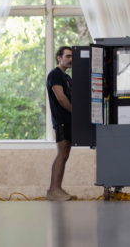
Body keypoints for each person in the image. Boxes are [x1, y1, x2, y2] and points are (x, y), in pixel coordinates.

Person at [46, 46, 75, 201]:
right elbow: (61, 98)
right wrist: (75, 113)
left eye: (72, 57)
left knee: (65, 155)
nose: (71, 59)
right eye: (68, 56)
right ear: (59, 58)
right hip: (61, 120)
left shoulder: (67, 77)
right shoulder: (55, 75)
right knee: (62, 153)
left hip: (68, 120)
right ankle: (53, 190)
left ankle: (58, 188)